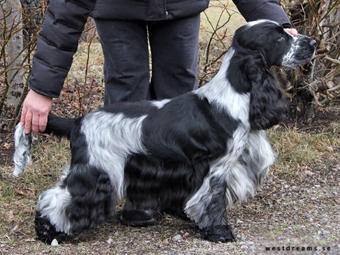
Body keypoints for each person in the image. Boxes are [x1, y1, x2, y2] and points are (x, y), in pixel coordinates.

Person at [21, 0, 297, 134]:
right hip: (116, 8)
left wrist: (277, 22)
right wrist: (42, 90)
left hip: (179, 5)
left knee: (179, 90)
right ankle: (134, 188)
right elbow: (66, 12)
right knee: (127, 89)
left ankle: (178, 187)